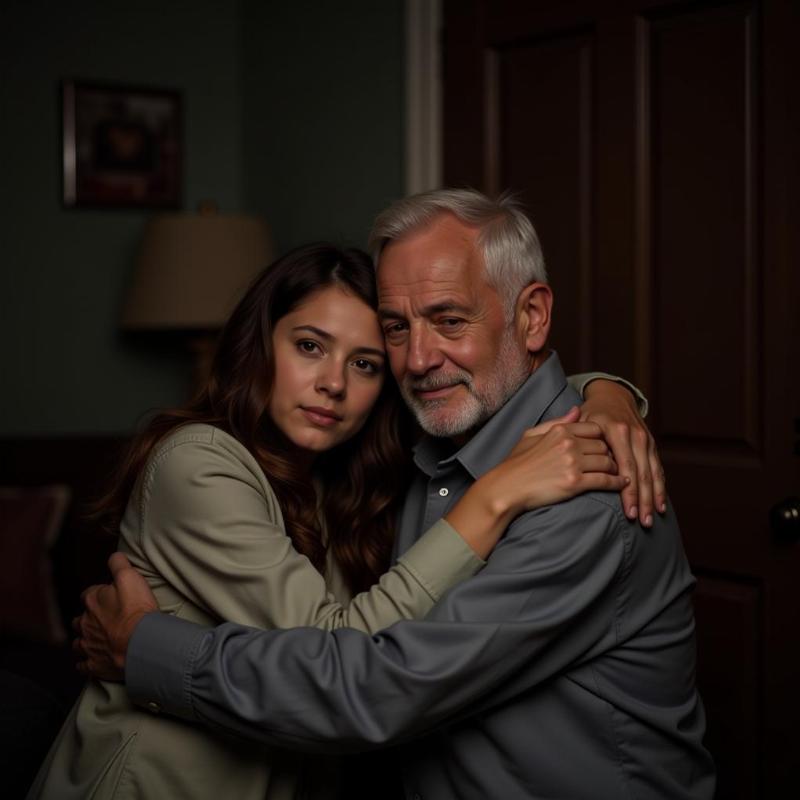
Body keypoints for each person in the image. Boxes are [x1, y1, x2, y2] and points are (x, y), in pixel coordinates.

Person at [73, 190, 711, 799]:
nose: (419, 359)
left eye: (449, 320)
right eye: (397, 331)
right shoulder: (428, 444)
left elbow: (372, 688)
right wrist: (598, 399)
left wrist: (147, 651)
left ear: (533, 315)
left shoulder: (583, 495)